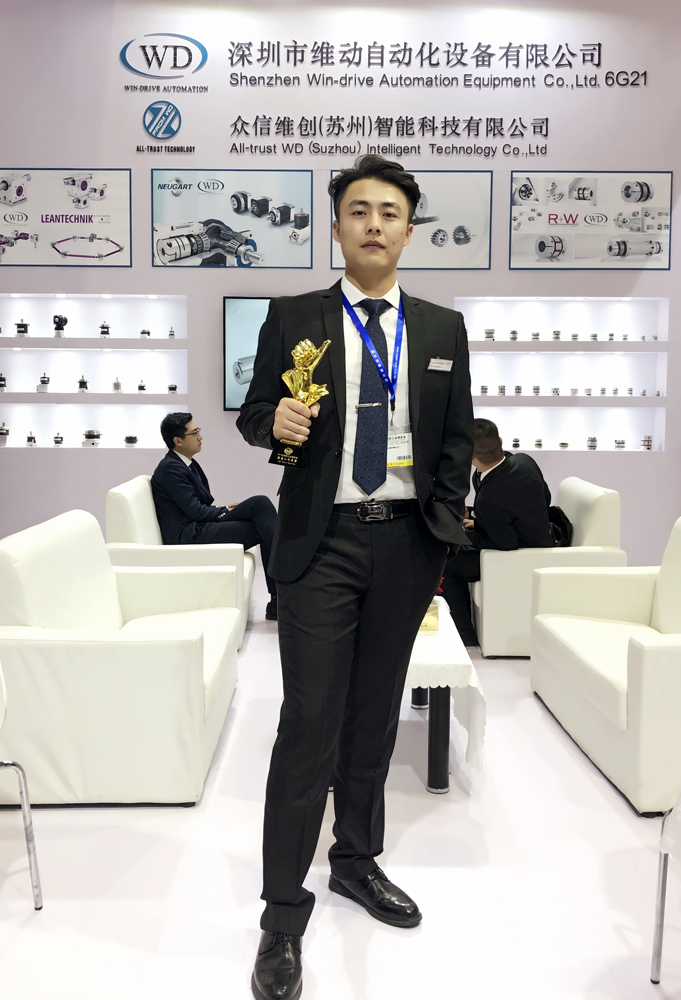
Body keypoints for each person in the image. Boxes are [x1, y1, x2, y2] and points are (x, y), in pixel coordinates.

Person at [237, 155, 473, 1000]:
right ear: (336, 226)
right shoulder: (295, 315)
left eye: (390, 212)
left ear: (409, 229)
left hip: (406, 543)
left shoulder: (442, 329)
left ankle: (356, 861)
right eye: (359, 210)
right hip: (322, 541)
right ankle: (281, 915)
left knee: (374, 718)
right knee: (309, 723)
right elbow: (254, 413)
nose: (375, 223)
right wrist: (275, 420)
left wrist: (441, 528)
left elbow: (456, 439)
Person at [150, 412, 279, 620]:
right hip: (189, 535)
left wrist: (224, 508)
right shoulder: (170, 468)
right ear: (178, 441)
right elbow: (196, 511)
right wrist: (225, 510)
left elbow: (198, 507)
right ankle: (281, 596)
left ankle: (278, 599)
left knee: (261, 514)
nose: (200, 437)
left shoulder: (185, 463)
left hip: (198, 526)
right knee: (260, 507)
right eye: (194, 433)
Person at [440, 418, 553, 645]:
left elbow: (505, 543)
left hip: (520, 558)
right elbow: (545, 499)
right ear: (500, 441)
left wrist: (465, 534)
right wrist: (479, 522)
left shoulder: (490, 498)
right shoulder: (524, 461)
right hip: (541, 537)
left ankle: (464, 635)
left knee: (448, 561)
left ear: (469, 457)